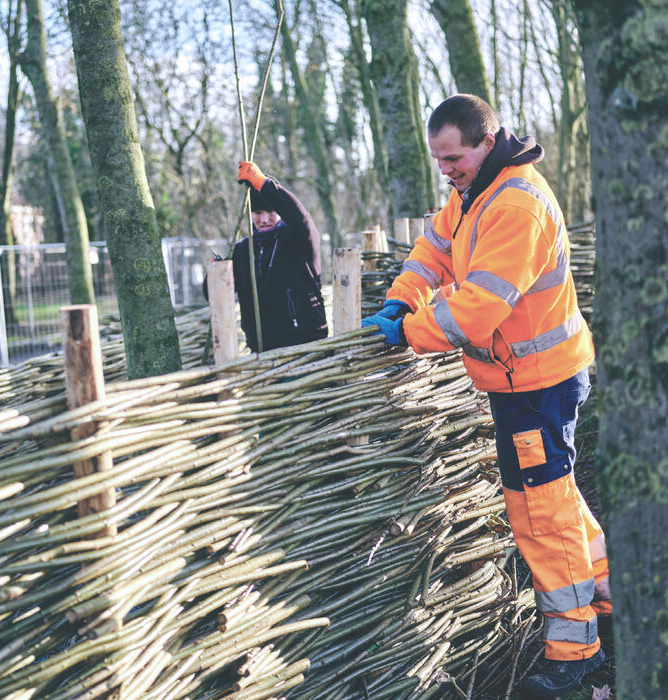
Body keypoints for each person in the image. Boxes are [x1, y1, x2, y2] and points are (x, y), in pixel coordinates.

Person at [362, 94, 608, 699]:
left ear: (485, 140)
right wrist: (402, 297)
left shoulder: (516, 203)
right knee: (557, 500)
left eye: (454, 157)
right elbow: (435, 250)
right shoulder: (474, 192)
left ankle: (575, 651)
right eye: (439, 160)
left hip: (539, 384)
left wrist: (411, 331)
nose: (446, 169)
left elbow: (477, 308)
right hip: (520, 381)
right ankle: (607, 592)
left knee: (541, 515)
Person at [223, 160, 328, 353]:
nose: (264, 220)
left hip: (305, 344)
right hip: (263, 350)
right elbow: (212, 293)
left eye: (271, 212)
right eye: (257, 212)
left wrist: (264, 184)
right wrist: (217, 274)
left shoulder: (299, 239)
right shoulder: (242, 250)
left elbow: (301, 218)